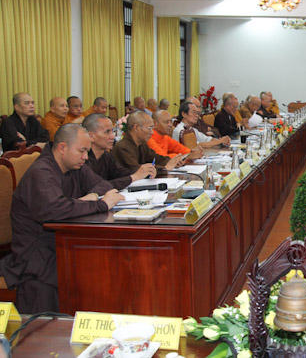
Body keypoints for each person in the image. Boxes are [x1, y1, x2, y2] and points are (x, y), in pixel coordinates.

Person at [0, 123, 123, 313]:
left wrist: (88, 198)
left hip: (60, 241)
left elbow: (102, 185)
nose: (86, 157)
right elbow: (54, 209)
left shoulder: (74, 166)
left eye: (87, 151)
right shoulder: (41, 172)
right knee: (85, 272)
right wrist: (99, 204)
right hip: (36, 253)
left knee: (104, 263)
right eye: (82, 151)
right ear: (62, 148)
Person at [83, 114, 155, 190]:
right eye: (107, 132)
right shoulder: (82, 160)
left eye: (112, 131)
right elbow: (98, 186)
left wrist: (145, 172)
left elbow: (121, 173)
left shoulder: (106, 156)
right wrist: (134, 177)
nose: (112, 137)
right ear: (91, 136)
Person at [112, 111, 185, 171]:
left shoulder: (142, 144)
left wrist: (172, 161)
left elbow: (156, 158)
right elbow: (137, 170)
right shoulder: (123, 147)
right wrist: (164, 169)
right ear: (136, 128)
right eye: (149, 128)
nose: (152, 132)